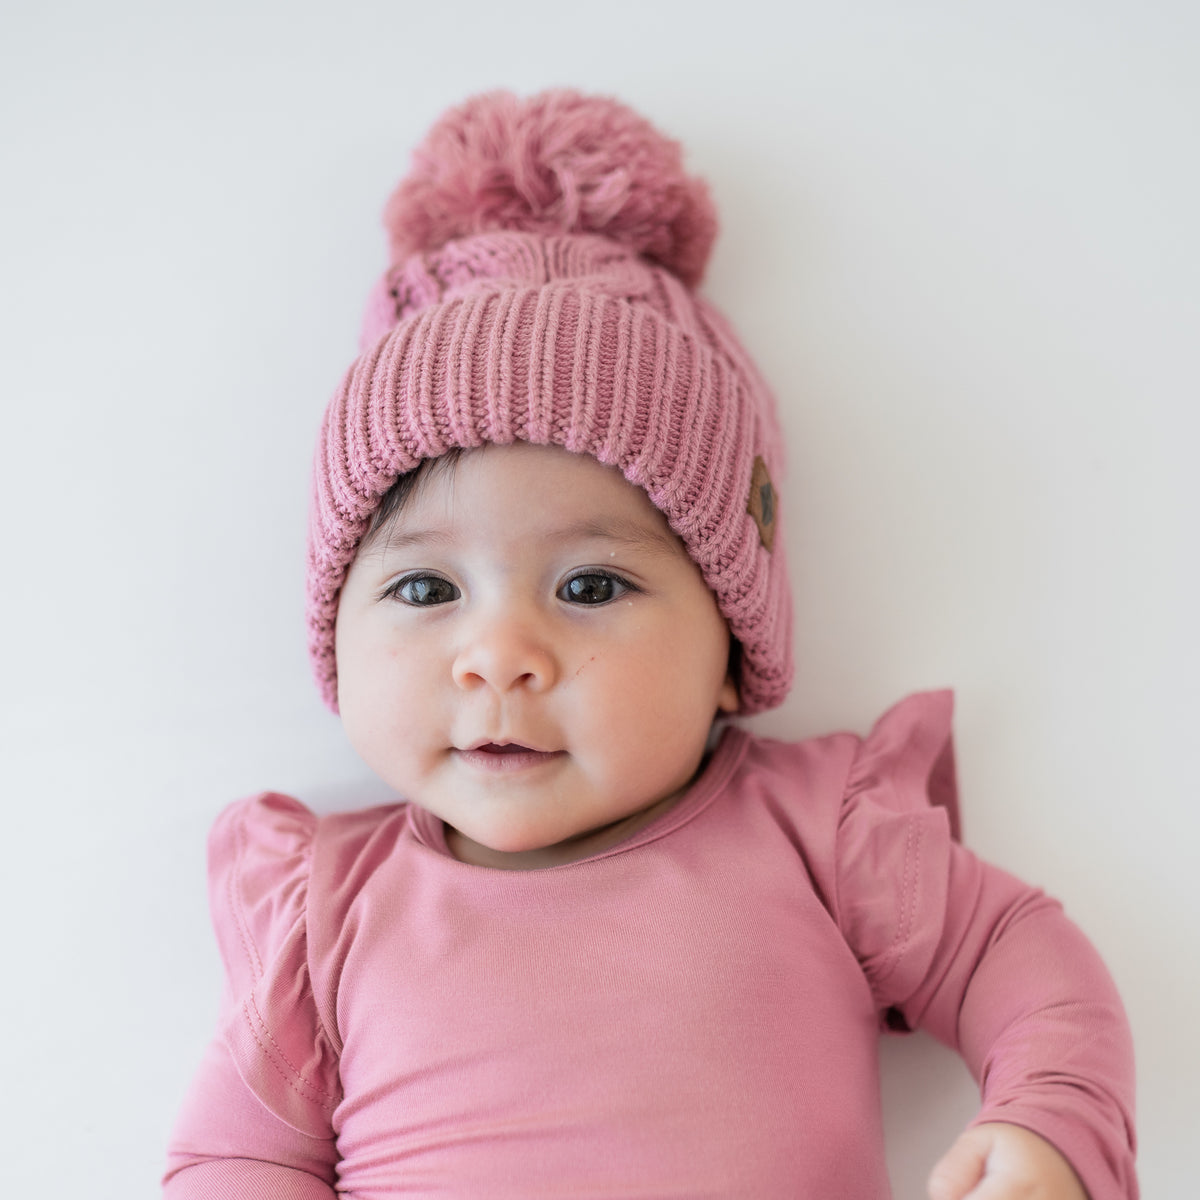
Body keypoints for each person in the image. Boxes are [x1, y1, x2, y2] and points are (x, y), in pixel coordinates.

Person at [163, 89, 1136, 1199]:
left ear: (731, 643)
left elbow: (1024, 960)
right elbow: (234, 1157)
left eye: (590, 584)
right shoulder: (324, 912)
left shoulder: (818, 839)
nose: (499, 654)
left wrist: (1052, 1122)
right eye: (426, 586)